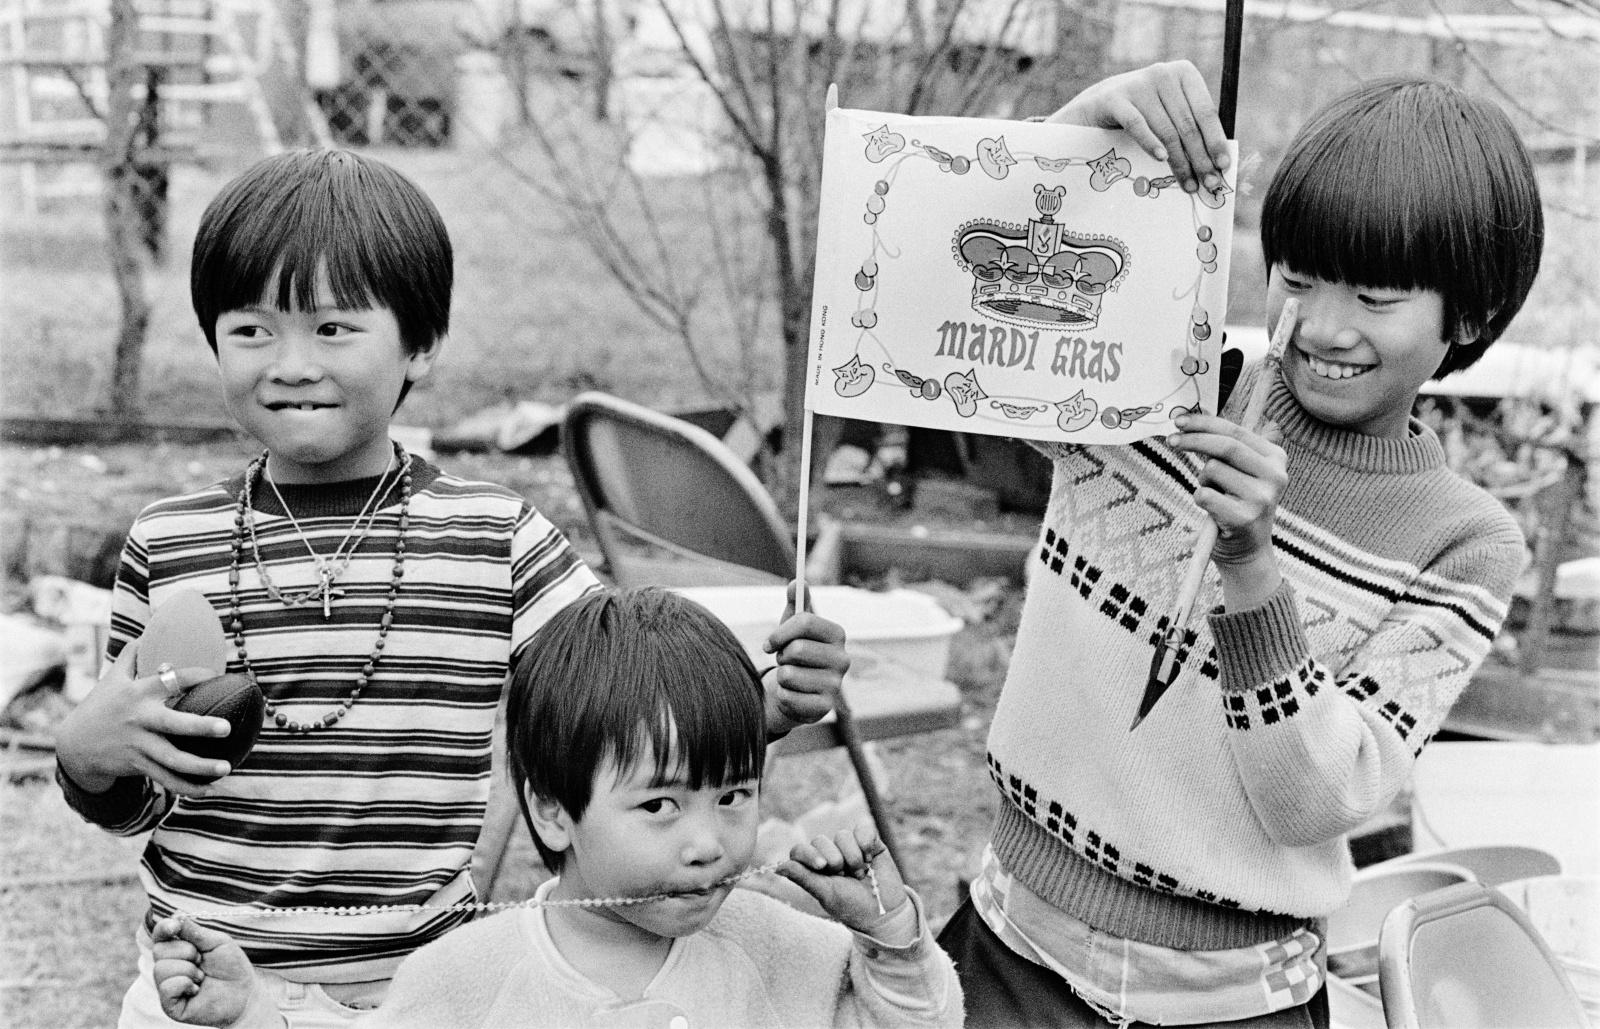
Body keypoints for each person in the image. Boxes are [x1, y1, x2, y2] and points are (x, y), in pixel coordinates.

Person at [51, 149, 851, 1029]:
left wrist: (768, 703)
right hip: (200, 981)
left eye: (331, 329)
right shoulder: (171, 542)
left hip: (428, 990)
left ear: (420, 346)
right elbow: (141, 792)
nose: (288, 363)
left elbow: (623, 704)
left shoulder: (493, 537)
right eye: (251, 330)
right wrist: (88, 754)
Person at [936, 64, 1542, 1027]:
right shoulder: (1155, 379)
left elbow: (1322, 798)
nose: (1323, 327)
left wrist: (1253, 570)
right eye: (1297, 278)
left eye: (1377, 299)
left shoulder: (1464, 542)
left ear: (1466, 317)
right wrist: (1075, 139)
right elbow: (951, 320)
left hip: (1231, 1007)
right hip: (1010, 957)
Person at [146, 587, 963, 1029]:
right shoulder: (464, 977)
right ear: (552, 811)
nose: (709, 843)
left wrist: (891, 942)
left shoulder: (787, 952)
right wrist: (252, 1014)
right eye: (660, 806)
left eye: (734, 795)